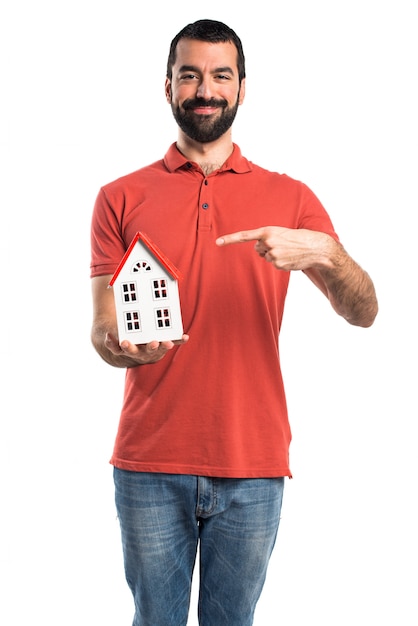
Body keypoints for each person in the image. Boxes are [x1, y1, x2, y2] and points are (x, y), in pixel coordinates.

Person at [90, 19, 378, 626]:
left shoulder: (291, 196)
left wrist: (326, 253)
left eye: (221, 75)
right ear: (166, 86)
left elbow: (364, 313)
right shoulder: (118, 197)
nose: (205, 89)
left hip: (253, 460)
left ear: (242, 88)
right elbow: (102, 330)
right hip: (148, 463)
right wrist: (124, 348)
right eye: (189, 74)